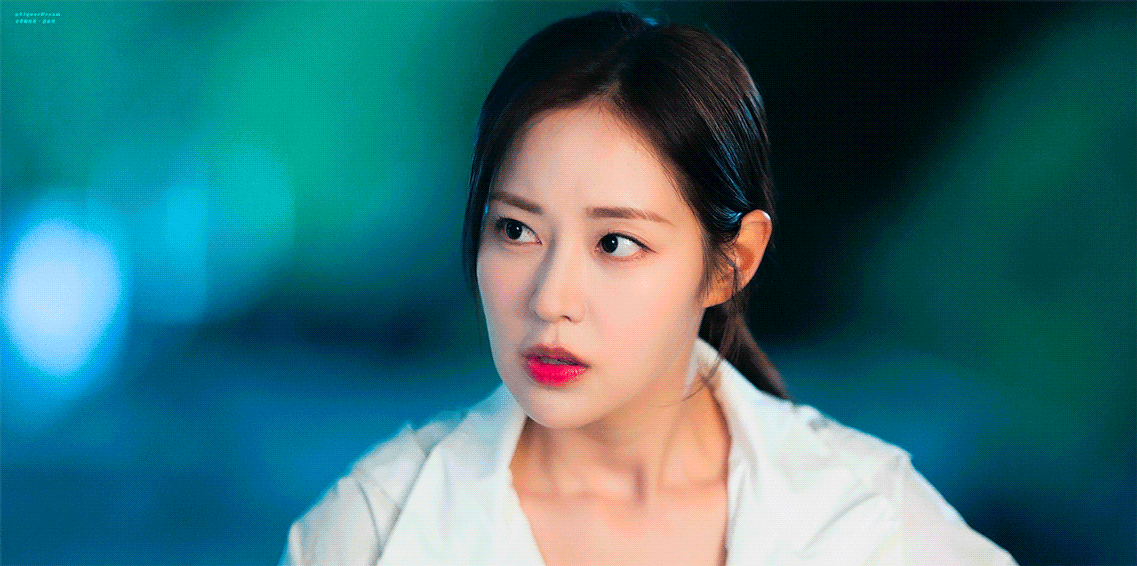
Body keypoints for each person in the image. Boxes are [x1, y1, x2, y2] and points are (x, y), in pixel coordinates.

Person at [281, 9, 1016, 565]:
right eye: (516, 230)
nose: (549, 299)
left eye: (615, 243)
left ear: (731, 262)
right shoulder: (375, 530)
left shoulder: (867, 527)